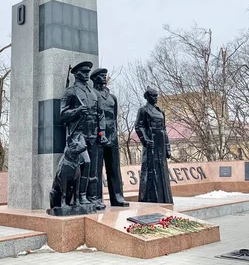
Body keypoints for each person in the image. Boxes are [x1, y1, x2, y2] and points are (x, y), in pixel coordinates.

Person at [60, 61, 108, 210]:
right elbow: (62, 115)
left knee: (94, 168)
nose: (87, 74)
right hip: (78, 134)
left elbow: (101, 115)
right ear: (76, 74)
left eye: (88, 71)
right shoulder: (70, 92)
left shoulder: (94, 93)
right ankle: (80, 196)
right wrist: (76, 111)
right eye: (84, 72)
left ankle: (93, 198)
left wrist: (102, 133)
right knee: (85, 164)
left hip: (94, 134)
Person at [90, 67, 129, 207]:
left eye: (105, 75)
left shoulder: (112, 98)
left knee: (114, 167)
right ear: (94, 78)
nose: (104, 77)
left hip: (112, 137)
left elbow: (114, 118)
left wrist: (115, 134)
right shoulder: (92, 95)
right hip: (97, 137)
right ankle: (96, 198)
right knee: (96, 169)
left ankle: (117, 197)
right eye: (101, 75)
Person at [134, 86, 173, 204]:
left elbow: (164, 130)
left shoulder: (161, 112)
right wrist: (145, 140)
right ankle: (150, 197)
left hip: (160, 143)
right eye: (153, 95)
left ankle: (164, 198)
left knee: (162, 170)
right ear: (147, 97)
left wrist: (167, 147)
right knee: (151, 170)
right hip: (151, 142)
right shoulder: (143, 110)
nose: (156, 98)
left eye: (156, 95)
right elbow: (138, 126)